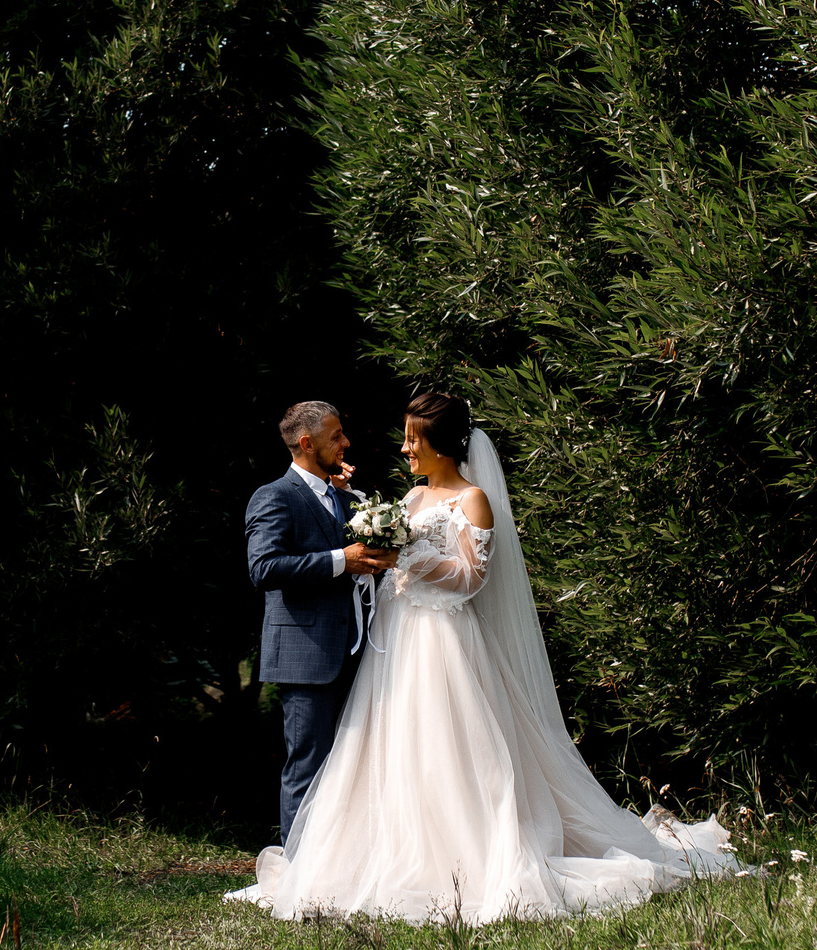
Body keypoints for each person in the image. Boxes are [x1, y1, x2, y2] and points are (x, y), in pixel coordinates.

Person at [230, 391, 751, 923]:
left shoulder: (474, 499)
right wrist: (375, 535)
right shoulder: (407, 497)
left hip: (442, 639)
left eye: (413, 439)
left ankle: (456, 854)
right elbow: (341, 554)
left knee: (448, 747)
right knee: (386, 749)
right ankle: (347, 858)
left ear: (440, 445)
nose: (404, 448)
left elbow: (470, 579)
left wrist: (411, 555)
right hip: (394, 639)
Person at [245, 401, 400, 845]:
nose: (346, 442)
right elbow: (264, 568)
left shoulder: (348, 500)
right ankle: (298, 868)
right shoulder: (275, 496)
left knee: (357, 766)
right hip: (307, 656)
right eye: (336, 436)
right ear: (307, 443)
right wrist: (341, 560)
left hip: (362, 650)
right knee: (308, 766)